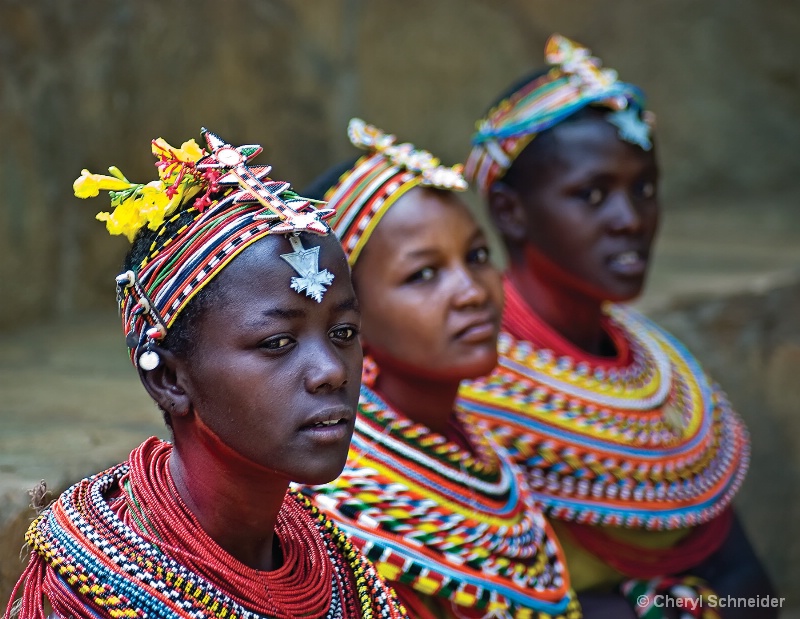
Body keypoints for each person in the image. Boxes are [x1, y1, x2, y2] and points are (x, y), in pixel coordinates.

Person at [5, 130, 408, 619]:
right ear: (169, 379)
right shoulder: (88, 592)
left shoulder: (341, 574)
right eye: (277, 343)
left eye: (343, 332)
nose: (330, 372)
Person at [458, 34, 776, 618]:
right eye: (592, 195)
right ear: (510, 212)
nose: (630, 220)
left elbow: (752, 591)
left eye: (645, 188)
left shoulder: (658, 370)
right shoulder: (464, 380)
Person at [299, 118, 581, 619]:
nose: (473, 292)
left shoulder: (476, 451)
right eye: (423, 274)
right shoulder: (337, 501)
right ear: (348, 313)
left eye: (476, 256)